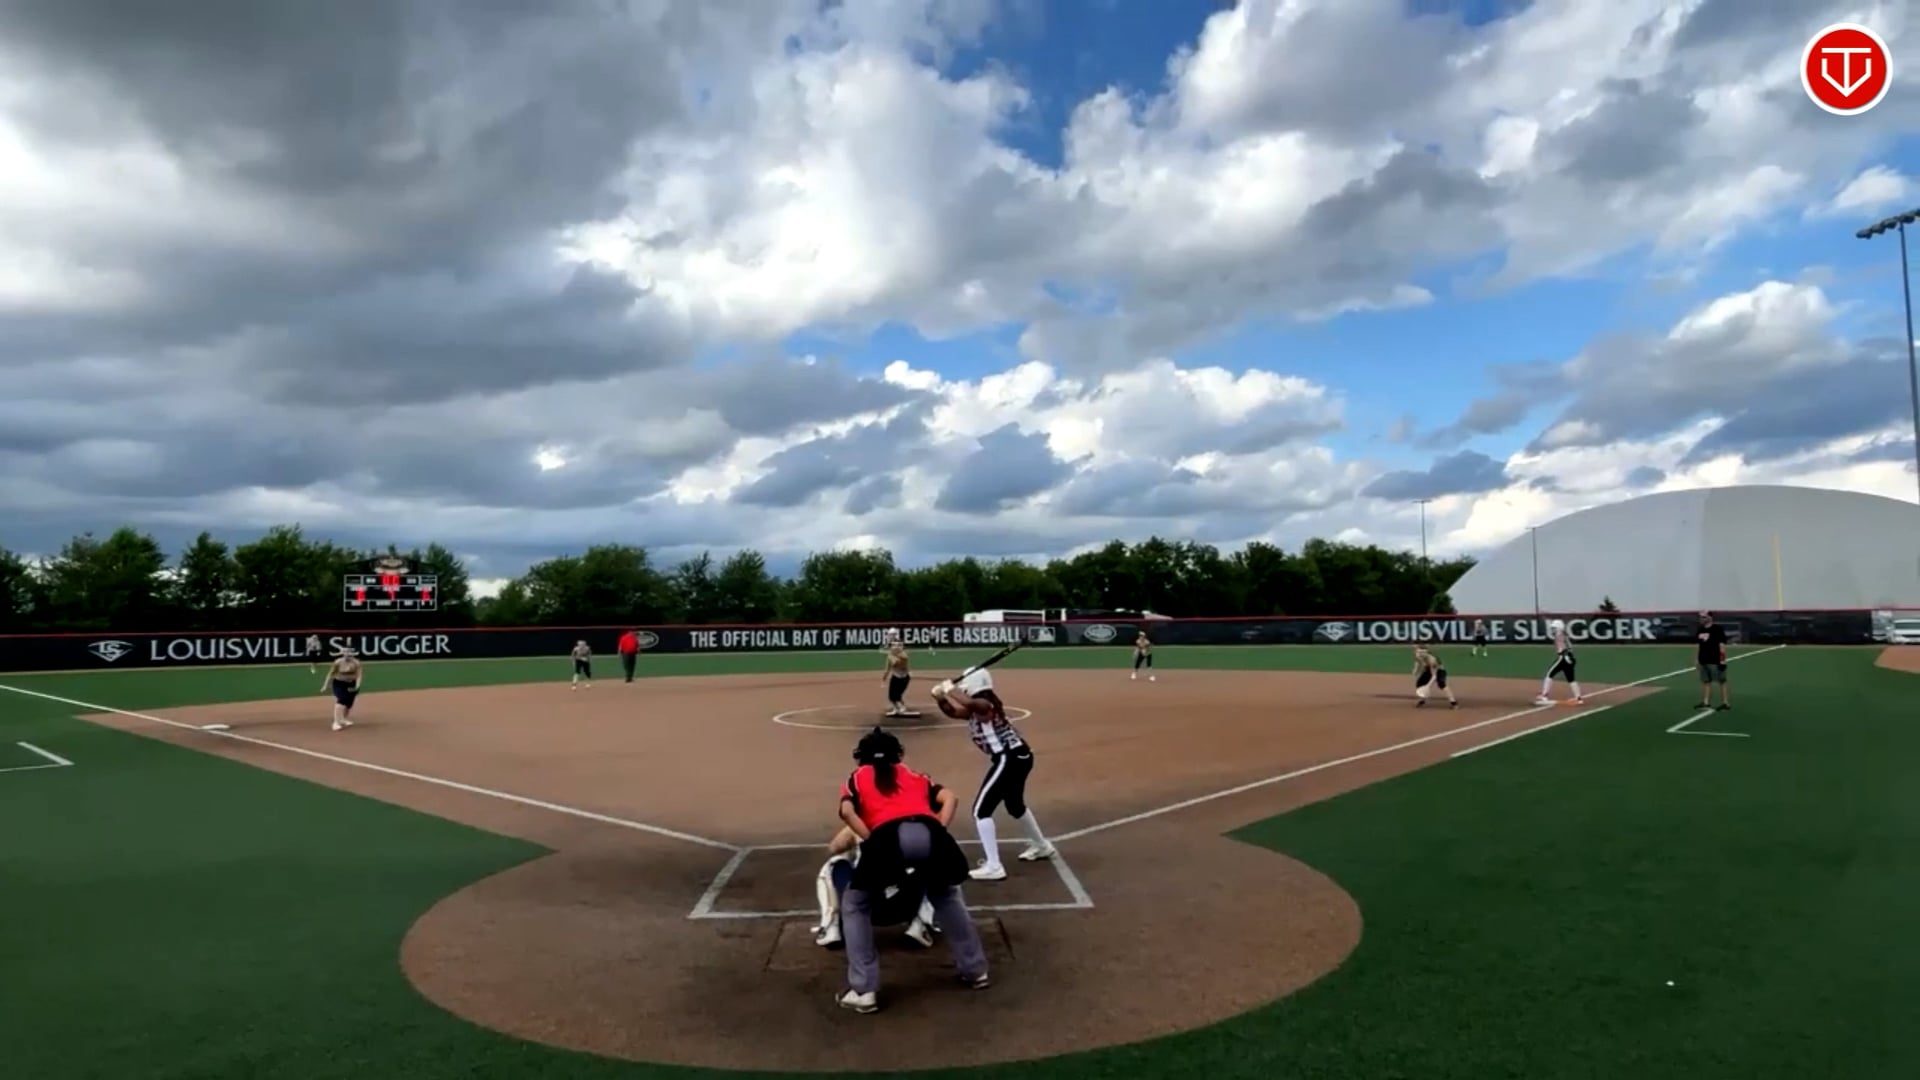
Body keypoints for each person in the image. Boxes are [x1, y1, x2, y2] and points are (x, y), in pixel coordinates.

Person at [833, 727, 989, 1013]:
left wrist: (871, 840)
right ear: (898, 754)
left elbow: (847, 812)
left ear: (860, 756)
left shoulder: (856, 778)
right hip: (929, 831)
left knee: (855, 904)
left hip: (887, 837)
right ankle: (976, 970)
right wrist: (939, 830)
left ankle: (864, 990)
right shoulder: (915, 776)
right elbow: (950, 798)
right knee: (946, 894)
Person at [931, 668, 1055, 880]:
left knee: (981, 811)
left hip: (1009, 758)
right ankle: (1041, 845)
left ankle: (994, 866)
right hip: (1018, 757)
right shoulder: (979, 705)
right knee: (1014, 805)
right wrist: (940, 698)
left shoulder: (984, 703)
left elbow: (970, 703)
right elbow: (954, 712)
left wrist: (949, 689)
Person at [812, 823, 938, 950]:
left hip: (861, 907)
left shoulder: (861, 823)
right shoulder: (914, 824)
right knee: (932, 861)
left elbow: (833, 848)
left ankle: (831, 927)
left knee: (833, 864)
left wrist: (852, 832)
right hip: (902, 906)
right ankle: (921, 925)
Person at [1534, 619, 1584, 705]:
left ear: (1559, 628)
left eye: (1554, 628)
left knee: (1549, 674)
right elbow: (1570, 647)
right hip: (1570, 658)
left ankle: (1544, 695)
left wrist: (1565, 655)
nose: (1553, 630)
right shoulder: (1564, 635)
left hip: (1563, 658)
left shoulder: (1560, 635)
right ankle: (1578, 698)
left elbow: (1564, 648)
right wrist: (1569, 656)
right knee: (1571, 679)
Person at [321, 646, 363, 731]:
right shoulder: (338, 662)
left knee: (349, 703)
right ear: (342, 653)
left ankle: (343, 719)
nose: (347, 654)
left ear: (352, 653)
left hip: (351, 683)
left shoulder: (356, 663)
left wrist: (357, 685)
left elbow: (359, 675)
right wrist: (325, 685)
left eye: (349, 652)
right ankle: (336, 722)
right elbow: (330, 674)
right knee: (341, 699)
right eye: (345, 652)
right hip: (339, 683)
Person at [1695, 611, 1731, 710]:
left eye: (1704, 617)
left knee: (1722, 681)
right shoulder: (1700, 629)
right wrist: (1697, 659)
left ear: (1710, 617)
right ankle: (1706, 702)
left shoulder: (1717, 629)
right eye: (1700, 617)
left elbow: (1722, 645)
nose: (1701, 619)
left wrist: (1722, 660)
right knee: (1706, 681)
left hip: (1714, 660)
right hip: (1703, 660)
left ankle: (1725, 703)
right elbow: (1699, 645)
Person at [1412, 644, 1458, 708]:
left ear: (1427, 652)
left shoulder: (1432, 660)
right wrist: (1415, 670)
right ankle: (1422, 700)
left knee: (1441, 684)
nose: (1421, 654)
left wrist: (1428, 686)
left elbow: (1434, 676)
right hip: (1428, 669)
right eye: (1419, 652)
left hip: (1439, 671)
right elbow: (1417, 662)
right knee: (1419, 684)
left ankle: (1453, 702)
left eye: (1423, 652)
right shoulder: (1418, 655)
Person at [882, 640, 920, 718]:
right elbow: (887, 668)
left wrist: (892, 655)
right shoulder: (890, 656)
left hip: (904, 678)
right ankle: (896, 709)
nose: (897, 647)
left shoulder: (903, 655)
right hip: (895, 677)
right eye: (894, 645)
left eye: (899, 645)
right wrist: (884, 677)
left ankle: (903, 708)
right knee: (891, 697)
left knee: (897, 695)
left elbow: (896, 662)